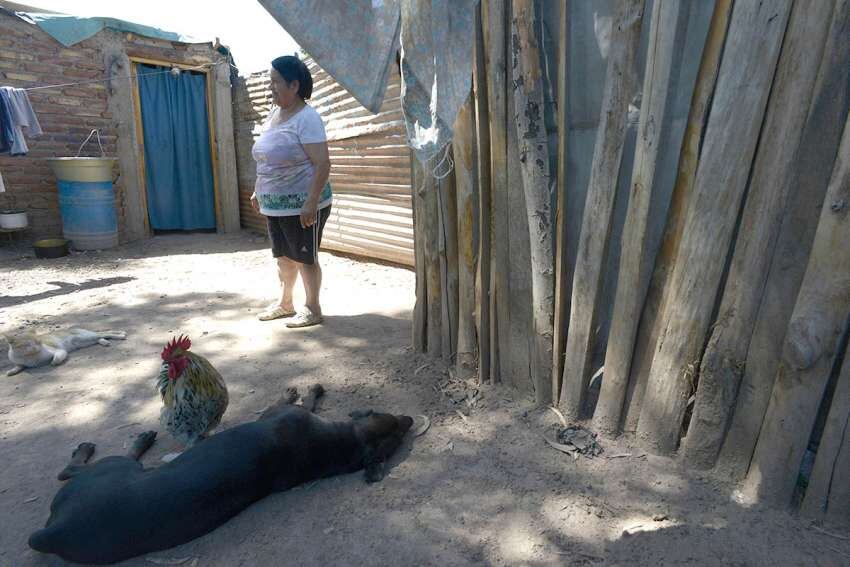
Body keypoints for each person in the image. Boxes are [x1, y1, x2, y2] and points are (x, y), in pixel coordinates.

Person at [251, 55, 332, 327]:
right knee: (283, 257)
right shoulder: (274, 114)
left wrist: (310, 202)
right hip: (274, 203)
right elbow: (266, 158)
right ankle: (286, 303)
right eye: (269, 81)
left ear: (294, 85)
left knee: (305, 257)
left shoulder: (307, 118)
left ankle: (312, 308)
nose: (270, 87)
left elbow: (322, 163)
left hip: (303, 204)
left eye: (275, 81)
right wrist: (257, 190)